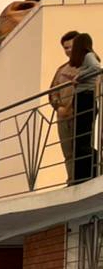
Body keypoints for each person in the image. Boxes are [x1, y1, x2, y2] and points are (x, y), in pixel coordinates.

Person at [69, 32, 101, 185]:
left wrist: (79, 77)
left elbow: (96, 67)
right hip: (83, 98)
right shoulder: (85, 58)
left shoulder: (88, 55)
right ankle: (81, 175)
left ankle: (91, 171)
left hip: (85, 98)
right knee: (79, 139)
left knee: (82, 140)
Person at [49, 29, 80, 182]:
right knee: (67, 151)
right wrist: (59, 107)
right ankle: (72, 179)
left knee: (81, 147)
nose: (68, 50)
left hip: (81, 112)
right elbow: (52, 92)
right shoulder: (61, 70)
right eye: (66, 48)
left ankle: (82, 177)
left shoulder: (88, 65)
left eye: (71, 46)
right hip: (63, 115)